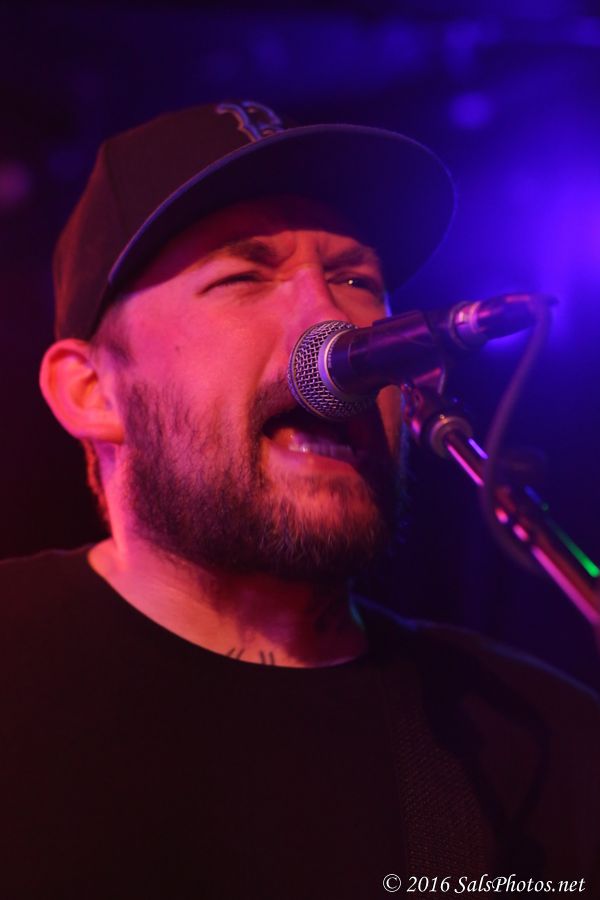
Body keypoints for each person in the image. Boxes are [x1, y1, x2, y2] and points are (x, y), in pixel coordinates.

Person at [1, 99, 599, 898]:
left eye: (356, 281)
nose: (331, 325)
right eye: (244, 277)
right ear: (92, 391)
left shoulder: (540, 746)